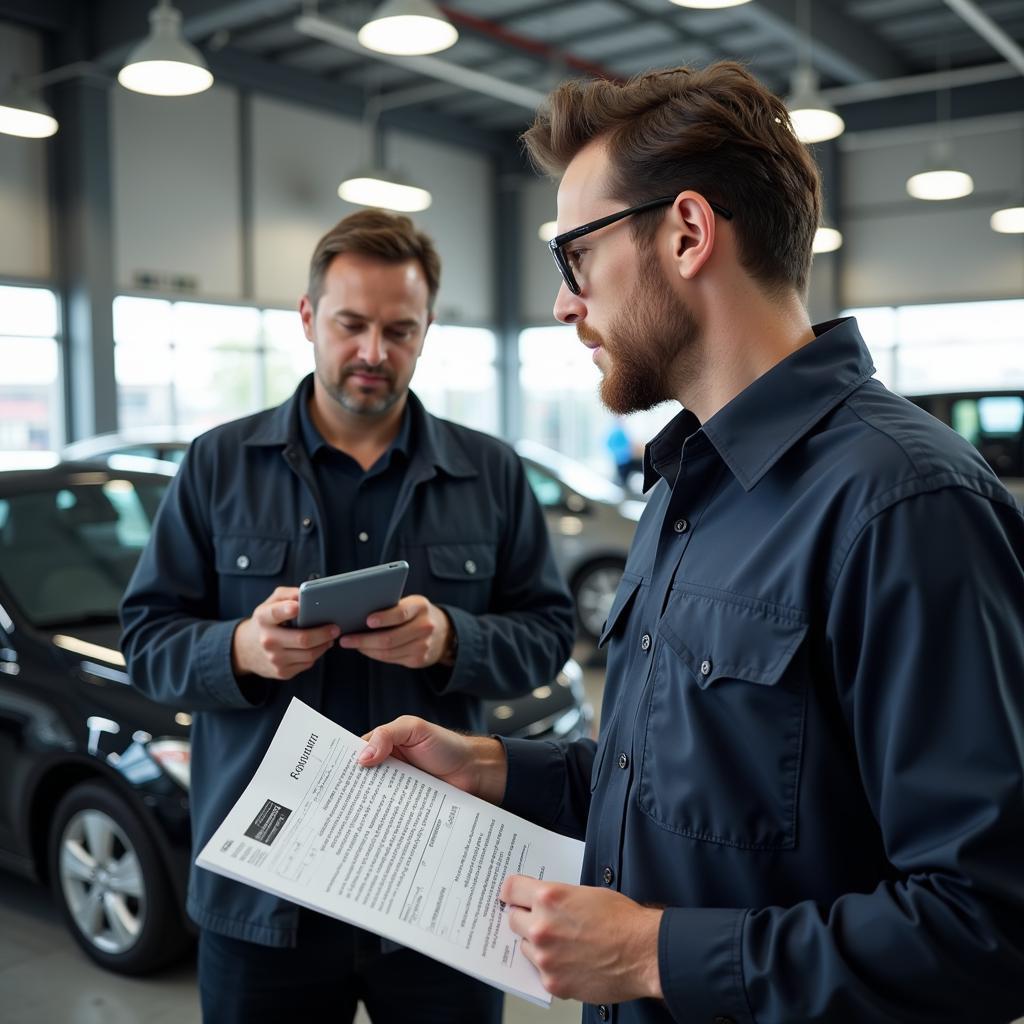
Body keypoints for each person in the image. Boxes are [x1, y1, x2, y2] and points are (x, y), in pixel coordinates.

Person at [357, 63, 1024, 1024]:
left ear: (687, 233)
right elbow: (681, 787)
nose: (562, 303)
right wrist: (494, 767)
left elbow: (988, 923)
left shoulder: (903, 506)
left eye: (573, 256)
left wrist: (654, 954)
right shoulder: (687, 491)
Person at [120, 209, 575, 1023]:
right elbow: (146, 644)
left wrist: (451, 640)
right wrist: (241, 650)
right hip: (265, 893)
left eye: (399, 329)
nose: (373, 352)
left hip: (439, 892)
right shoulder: (217, 465)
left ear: (427, 329)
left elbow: (547, 636)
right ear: (307, 318)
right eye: (351, 324)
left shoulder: (491, 474)